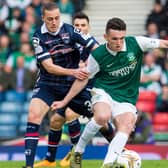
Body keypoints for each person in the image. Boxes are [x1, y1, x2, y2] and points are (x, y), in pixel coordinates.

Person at [51, 17, 168, 168]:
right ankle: (78, 151)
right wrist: (64, 101)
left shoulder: (136, 43)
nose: (119, 42)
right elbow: (83, 79)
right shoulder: (98, 55)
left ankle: (108, 164)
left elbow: (163, 43)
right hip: (104, 91)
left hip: (127, 97)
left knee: (126, 125)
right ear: (106, 37)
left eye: (122, 38)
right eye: (114, 39)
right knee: (102, 116)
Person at [22, 3, 113, 168]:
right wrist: (73, 72)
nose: (54, 22)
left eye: (57, 18)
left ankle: (121, 151)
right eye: (50, 19)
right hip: (48, 83)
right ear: (43, 18)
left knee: (100, 119)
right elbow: (49, 67)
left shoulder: (70, 30)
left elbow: (95, 46)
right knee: (34, 115)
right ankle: (30, 165)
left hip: (72, 86)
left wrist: (101, 62)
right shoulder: (37, 37)